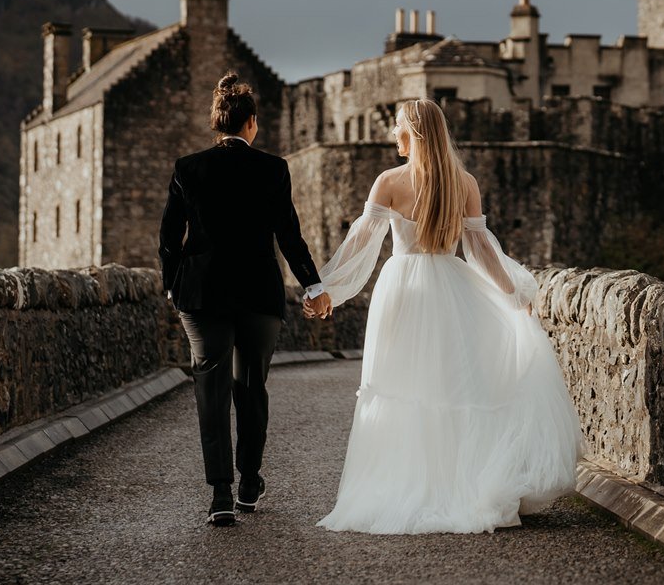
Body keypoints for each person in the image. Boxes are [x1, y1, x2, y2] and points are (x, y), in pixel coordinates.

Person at [301, 98, 581, 533]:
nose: (394, 136)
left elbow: (361, 246)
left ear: (412, 133)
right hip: (451, 286)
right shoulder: (463, 182)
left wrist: (327, 290)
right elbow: (481, 249)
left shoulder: (389, 182)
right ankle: (459, 486)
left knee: (403, 386)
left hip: (403, 289)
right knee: (453, 387)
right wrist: (512, 292)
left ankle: (405, 484)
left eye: (398, 129)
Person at [159, 72, 322, 528]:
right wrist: (313, 285)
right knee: (251, 386)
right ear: (250, 123)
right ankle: (249, 479)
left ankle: (221, 495)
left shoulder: (188, 168)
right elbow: (289, 236)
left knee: (210, 392)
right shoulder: (273, 169)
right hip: (258, 294)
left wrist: (173, 284)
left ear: (218, 123)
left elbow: (170, 237)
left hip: (202, 294)